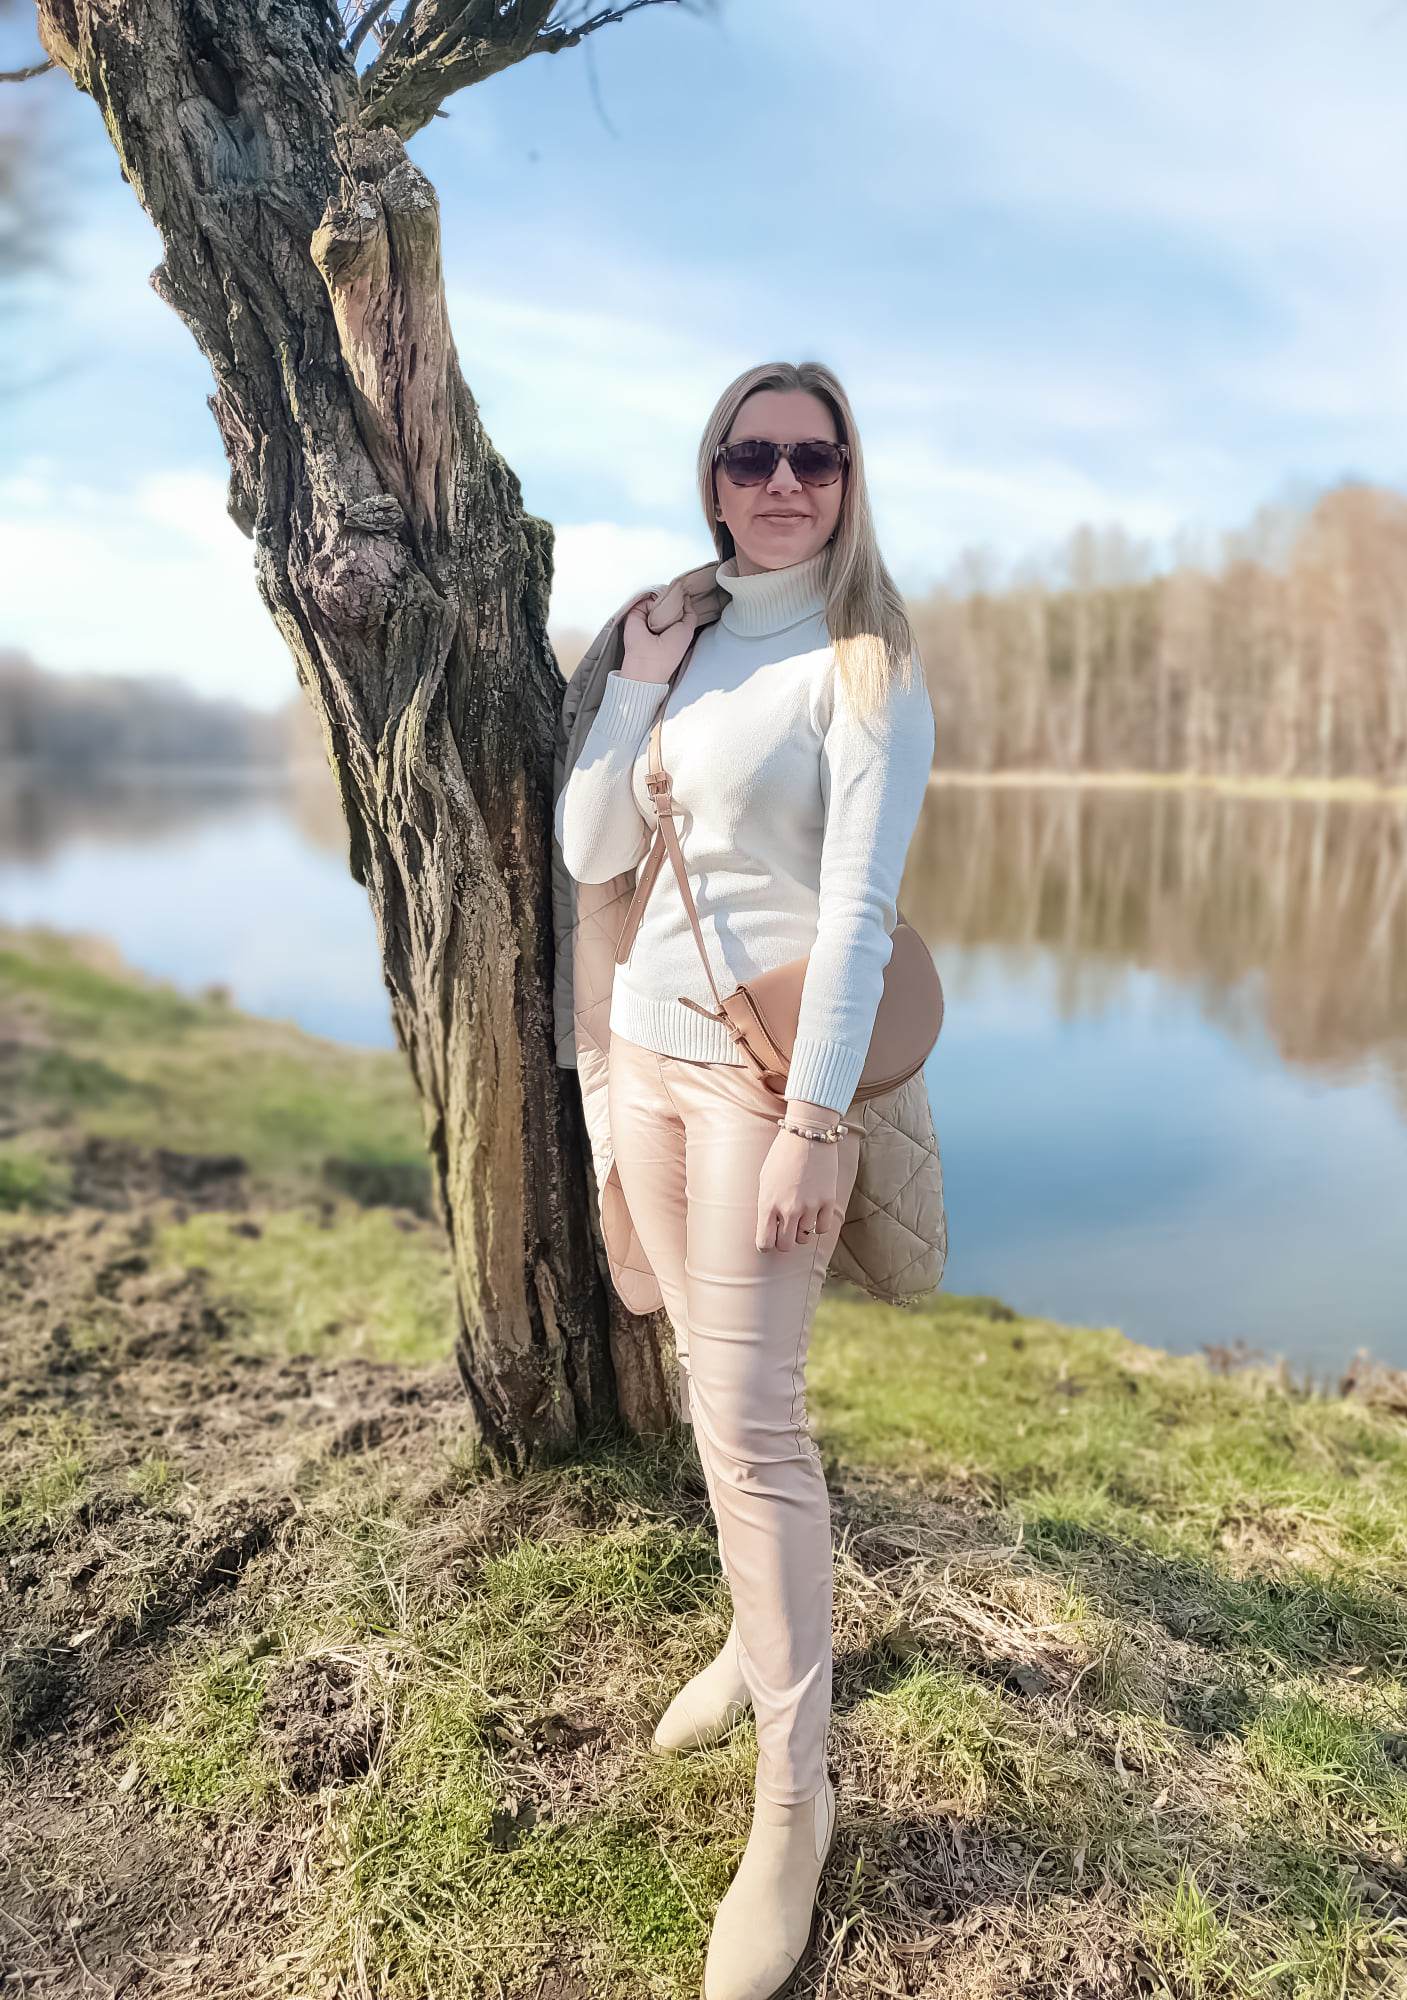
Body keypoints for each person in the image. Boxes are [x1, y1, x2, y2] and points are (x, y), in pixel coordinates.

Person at [553, 359, 935, 2000]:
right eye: (754, 454)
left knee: (754, 1423)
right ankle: (749, 1637)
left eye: (815, 458)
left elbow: (856, 923)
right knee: (711, 1373)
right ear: (713, 475)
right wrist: (632, 687)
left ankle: (796, 1803)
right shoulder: (679, 637)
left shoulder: (867, 670)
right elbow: (591, 851)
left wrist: (814, 1123)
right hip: (641, 1055)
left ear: (848, 481)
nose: (785, 482)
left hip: (755, 1084)